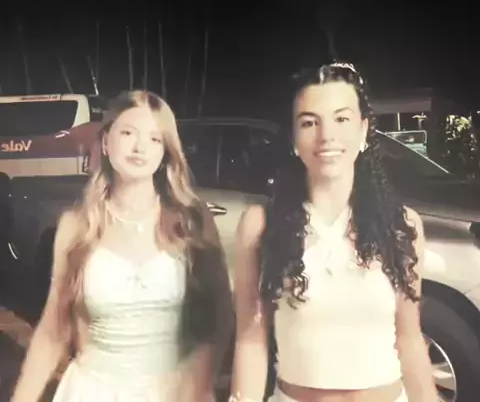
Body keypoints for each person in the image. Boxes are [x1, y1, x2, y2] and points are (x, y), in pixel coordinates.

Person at [230, 63, 437, 402]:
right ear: (294, 138)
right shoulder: (261, 225)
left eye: (341, 119)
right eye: (309, 122)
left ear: (363, 129)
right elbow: (251, 340)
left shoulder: (402, 226)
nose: (326, 135)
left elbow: (410, 339)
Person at [12, 90, 233, 402]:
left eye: (155, 139)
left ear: (165, 152)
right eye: (128, 133)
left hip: (176, 393)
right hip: (93, 391)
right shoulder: (76, 226)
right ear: (106, 141)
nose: (140, 147)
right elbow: (53, 331)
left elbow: (219, 318)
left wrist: (198, 384)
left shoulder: (192, 221)